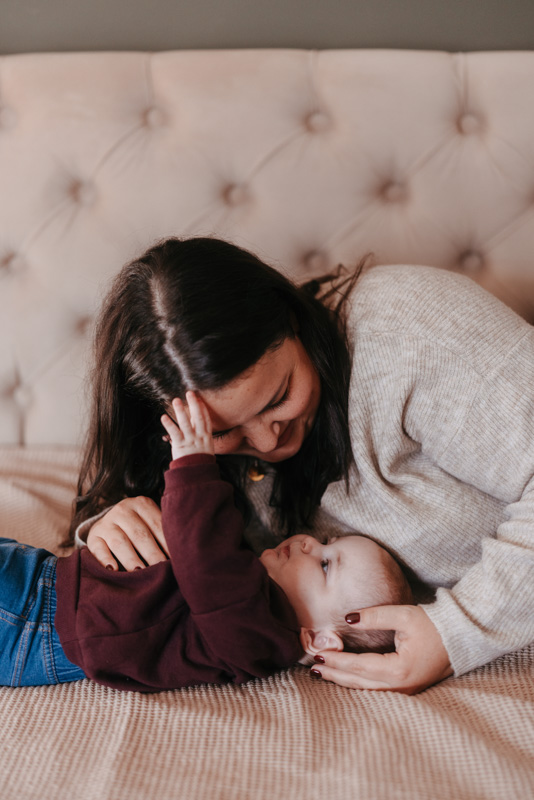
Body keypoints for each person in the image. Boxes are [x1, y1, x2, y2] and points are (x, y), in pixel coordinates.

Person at [72, 236, 534, 695]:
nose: (267, 441)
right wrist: (110, 525)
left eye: (278, 399)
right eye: (222, 432)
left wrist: (454, 633)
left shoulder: (411, 331)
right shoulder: (180, 449)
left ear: (292, 320)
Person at [0, 392, 411, 690]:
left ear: (321, 640)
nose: (308, 543)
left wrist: (194, 463)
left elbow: (207, 564)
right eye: (326, 541)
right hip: (43, 578)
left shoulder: (260, 635)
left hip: (36, 623)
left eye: (325, 564)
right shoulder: (253, 596)